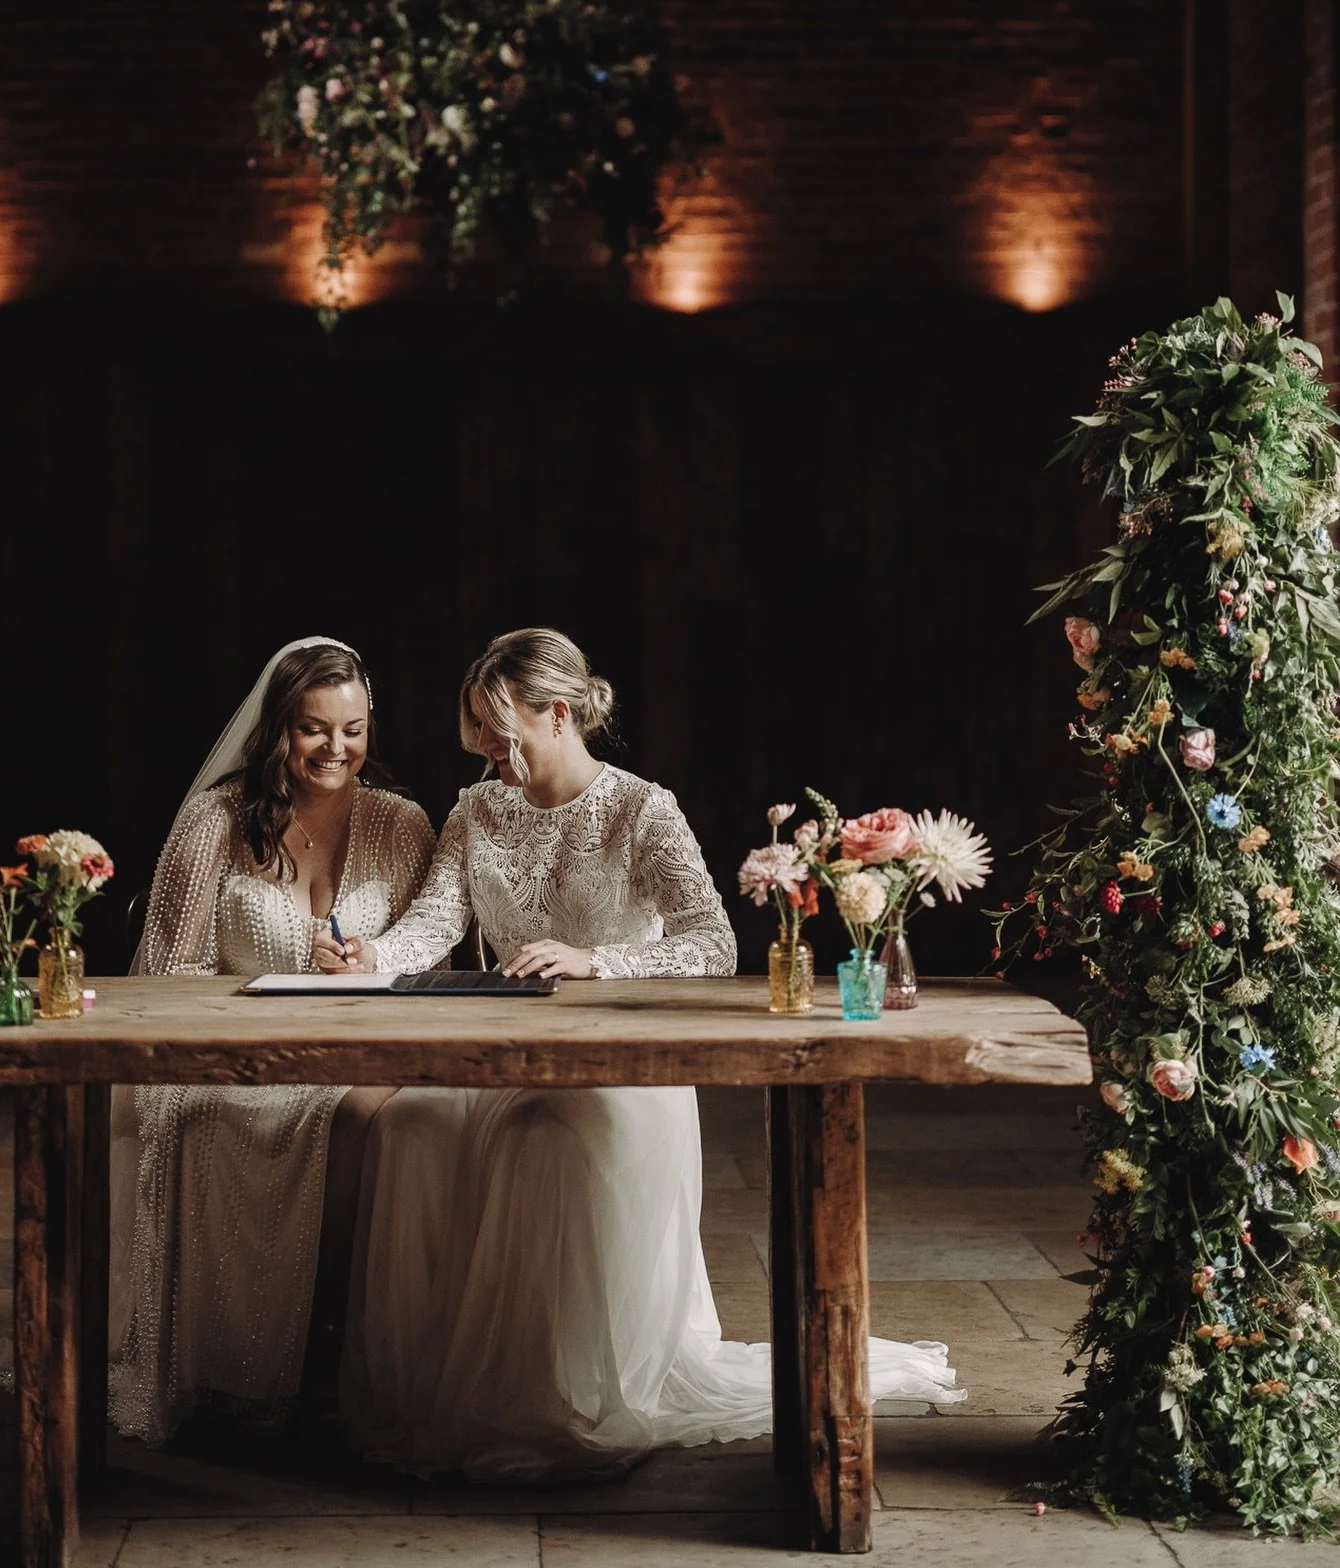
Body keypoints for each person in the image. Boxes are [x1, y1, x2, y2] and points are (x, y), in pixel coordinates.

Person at [329, 627, 962, 1484]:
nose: (485, 748)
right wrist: (371, 954)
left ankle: (550, 1400)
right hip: (502, 1053)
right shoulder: (477, 809)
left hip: (621, 1068)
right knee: (407, 1127)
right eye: (476, 728)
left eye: (498, 728)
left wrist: (596, 960)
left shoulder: (641, 810)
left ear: (559, 714)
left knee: (542, 1139)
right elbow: (436, 921)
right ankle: (428, 1391)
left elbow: (712, 943)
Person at [109, 637, 435, 1446]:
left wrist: (369, 963)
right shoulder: (214, 822)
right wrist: (265, 1001)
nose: (335, 749)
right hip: (234, 1055)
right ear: (277, 728)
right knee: (274, 1119)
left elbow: (431, 955)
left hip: (368, 1048)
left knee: (384, 1119)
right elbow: (169, 973)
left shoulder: (402, 824)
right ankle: (275, 1365)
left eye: (352, 730)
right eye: (312, 729)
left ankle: (346, 1360)